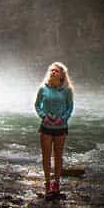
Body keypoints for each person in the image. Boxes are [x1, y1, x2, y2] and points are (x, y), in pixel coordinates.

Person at [34, 61, 73, 196]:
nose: (53, 72)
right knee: (46, 156)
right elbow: (37, 105)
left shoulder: (67, 90)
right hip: (46, 126)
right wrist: (43, 116)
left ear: (62, 75)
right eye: (51, 70)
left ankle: (56, 183)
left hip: (61, 127)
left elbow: (70, 107)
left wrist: (62, 118)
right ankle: (47, 184)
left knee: (58, 156)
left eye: (56, 71)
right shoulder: (43, 88)